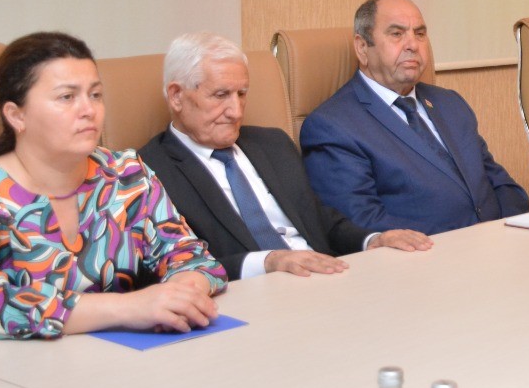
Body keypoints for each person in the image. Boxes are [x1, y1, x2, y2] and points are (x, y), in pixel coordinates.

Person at [0, 32, 225, 349]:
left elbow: (194, 258)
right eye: (67, 97)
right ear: (16, 115)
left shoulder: (128, 174)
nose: (88, 110)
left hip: (102, 355)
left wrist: (180, 296)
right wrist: (130, 308)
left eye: (95, 95)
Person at [139, 33, 431, 281]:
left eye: (241, 94)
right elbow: (169, 267)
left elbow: (322, 222)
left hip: (327, 279)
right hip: (245, 298)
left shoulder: (272, 144)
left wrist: (373, 239)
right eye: (220, 95)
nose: (236, 111)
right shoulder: (148, 172)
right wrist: (269, 262)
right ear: (176, 96)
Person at [301, 0, 529, 236]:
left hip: (501, 243)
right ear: (362, 47)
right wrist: (466, 240)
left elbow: (500, 184)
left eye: (420, 34)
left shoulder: (450, 103)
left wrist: (511, 229)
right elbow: (362, 220)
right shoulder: (333, 126)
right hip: (428, 253)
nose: (413, 45)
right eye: (396, 34)